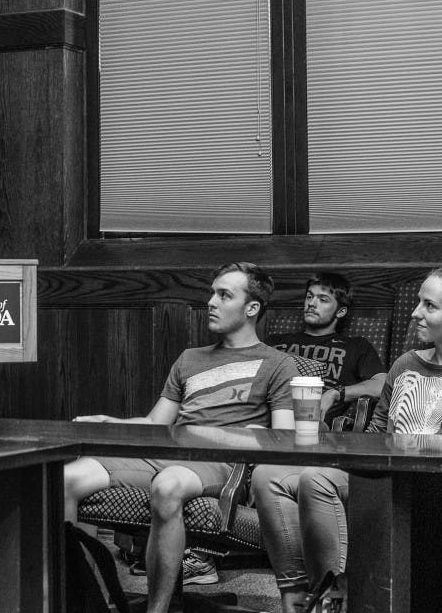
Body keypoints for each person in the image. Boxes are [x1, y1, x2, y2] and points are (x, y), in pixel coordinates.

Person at [64, 262, 297, 613]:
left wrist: (225, 435)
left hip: (220, 464)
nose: (211, 302)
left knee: (168, 485)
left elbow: (283, 435)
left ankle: (157, 611)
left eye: (224, 295)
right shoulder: (190, 359)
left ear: (252, 308)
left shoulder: (278, 364)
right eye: (212, 293)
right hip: (164, 451)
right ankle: (87, 601)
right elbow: (157, 422)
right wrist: (111, 422)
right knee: (66, 478)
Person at [252, 267, 442, 613]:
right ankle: (326, 594)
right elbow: (376, 433)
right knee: (279, 476)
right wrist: (336, 449)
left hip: (426, 489)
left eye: (429, 306)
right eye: (417, 302)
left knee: (315, 479)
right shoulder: (405, 364)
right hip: (382, 477)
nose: (415, 313)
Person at [265, 271, 386, 425]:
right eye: (309, 296)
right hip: (267, 419)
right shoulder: (275, 341)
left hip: (315, 426)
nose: (312, 303)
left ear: (341, 311)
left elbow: (383, 385)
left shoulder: (356, 346)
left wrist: (336, 393)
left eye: (323, 299)